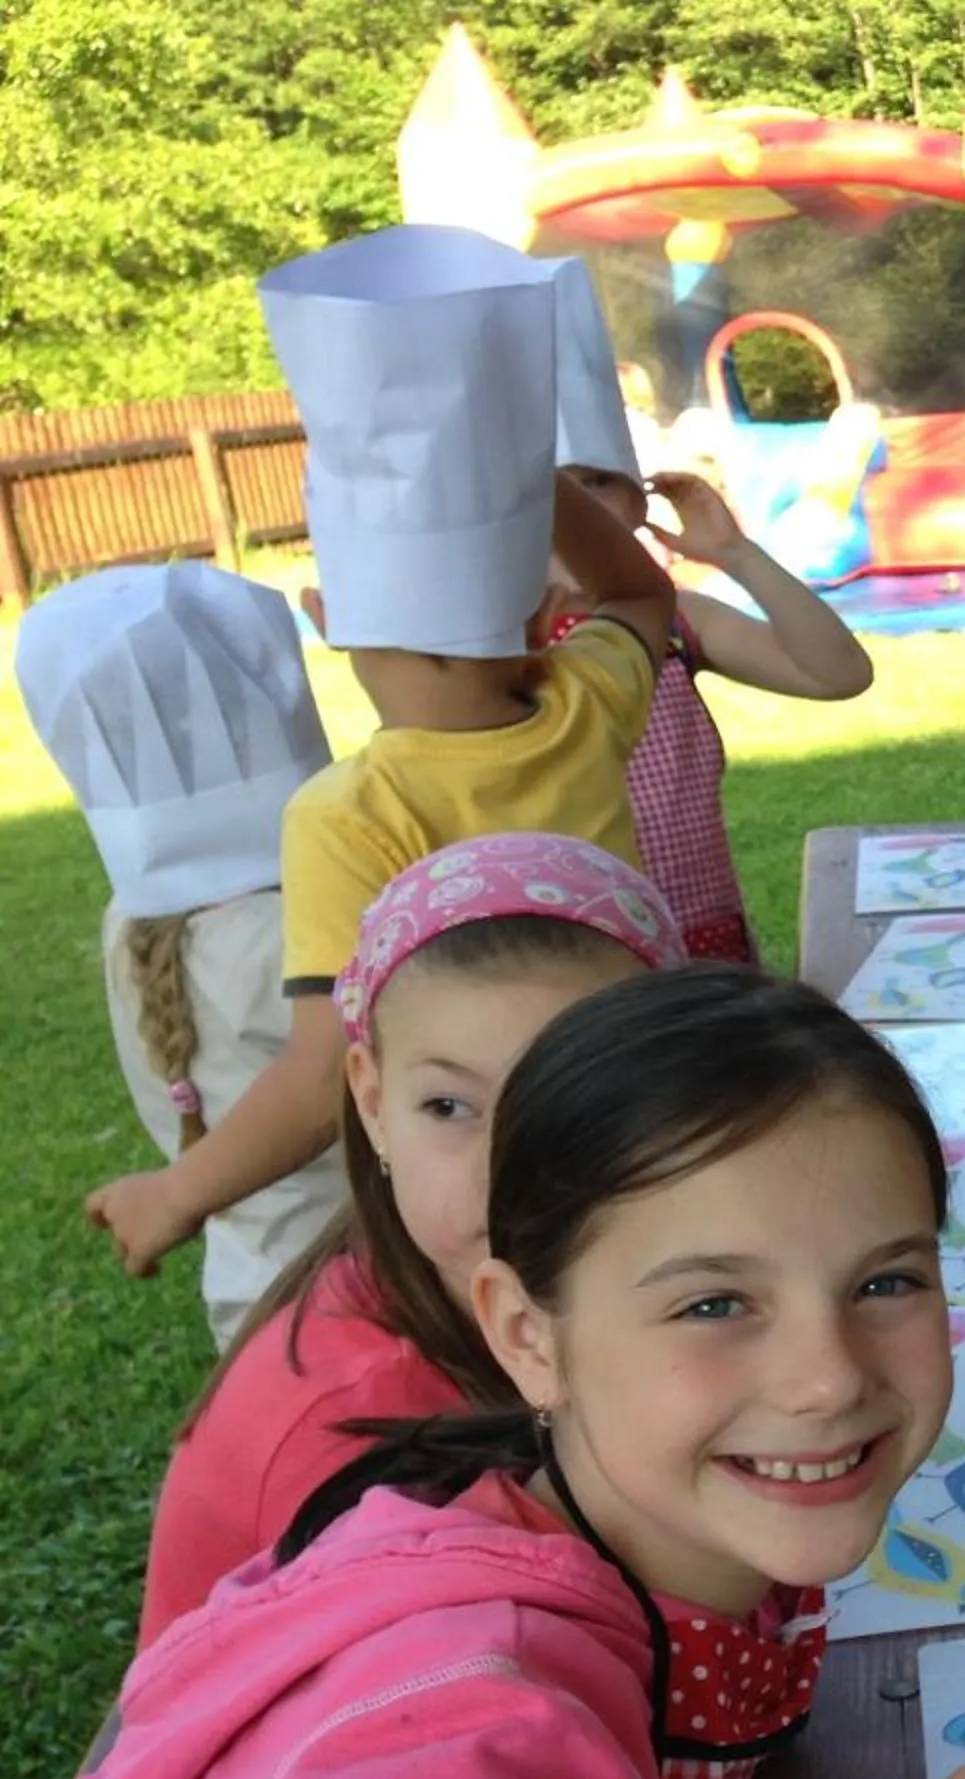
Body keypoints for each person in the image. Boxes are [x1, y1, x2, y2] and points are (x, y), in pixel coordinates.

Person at [74, 964, 965, 1779]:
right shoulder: (475, 1734)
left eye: (886, 1281)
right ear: (527, 1334)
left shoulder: (646, 1520)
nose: (829, 1374)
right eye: (712, 1303)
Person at [83, 225, 675, 1283]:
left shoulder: (347, 810)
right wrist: (520, 480)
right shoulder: (586, 701)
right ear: (547, 613)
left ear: (325, 617)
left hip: (491, 1162)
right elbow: (640, 594)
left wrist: (174, 1191)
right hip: (637, 1096)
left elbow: (321, 1072)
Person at [136, 834, 685, 1648]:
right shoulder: (355, 1444)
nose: (511, 1171)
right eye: (450, 1109)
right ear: (371, 1101)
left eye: (582, 1100)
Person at [13, 563, 345, 1347]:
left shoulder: (127, 921)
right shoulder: (293, 937)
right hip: (361, 1299)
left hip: (249, 1297)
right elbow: (332, 1075)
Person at [541, 259, 872, 964]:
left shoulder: (677, 624)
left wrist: (736, 554)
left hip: (703, 948)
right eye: (560, 490)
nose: (582, 510)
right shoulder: (505, 646)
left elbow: (839, 673)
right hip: (579, 958)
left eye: (602, 482)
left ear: (638, 499)